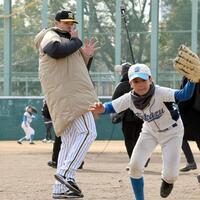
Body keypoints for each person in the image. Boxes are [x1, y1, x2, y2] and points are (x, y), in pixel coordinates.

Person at [89, 63, 196, 200]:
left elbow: (184, 95)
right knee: (134, 166)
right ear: (130, 84)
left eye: (143, 80)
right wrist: (101, 108)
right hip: (150, 131)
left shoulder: (160, 92)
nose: (140, 84)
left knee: (171, 176)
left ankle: (167, 181)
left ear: (150, 79)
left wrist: (192, 81)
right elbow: (111, 107)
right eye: (136, 81)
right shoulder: (130, 98)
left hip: (172, 133)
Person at [34, 10, 99, 199]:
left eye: (72, 23)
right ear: (57, 22)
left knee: (68, 142)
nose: (70, 26)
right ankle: (65, 175)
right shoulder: (50, 35)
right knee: (88, 132)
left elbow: (75, 70)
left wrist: (86, 56)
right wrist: (77, 42)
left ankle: (60, 189)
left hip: (69, 94)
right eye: (66, 22)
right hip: (69, 96)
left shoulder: (68, 41)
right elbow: (55, 51)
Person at [111, 63, 144, 160]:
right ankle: (142, 158)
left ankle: (134, 160)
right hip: (142, 117)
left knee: (129, 140)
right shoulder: (142, 84)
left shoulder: (121, 86)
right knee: (140, 139)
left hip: (127, 118)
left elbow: (114, 101)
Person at [178, 77, 200, 176]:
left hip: (191, 114)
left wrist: (180, 108)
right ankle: (190, 162)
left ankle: (191, 162)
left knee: (180, 136)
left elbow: (185, 95)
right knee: (181, 136)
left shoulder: (189, 76)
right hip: (193, 113)